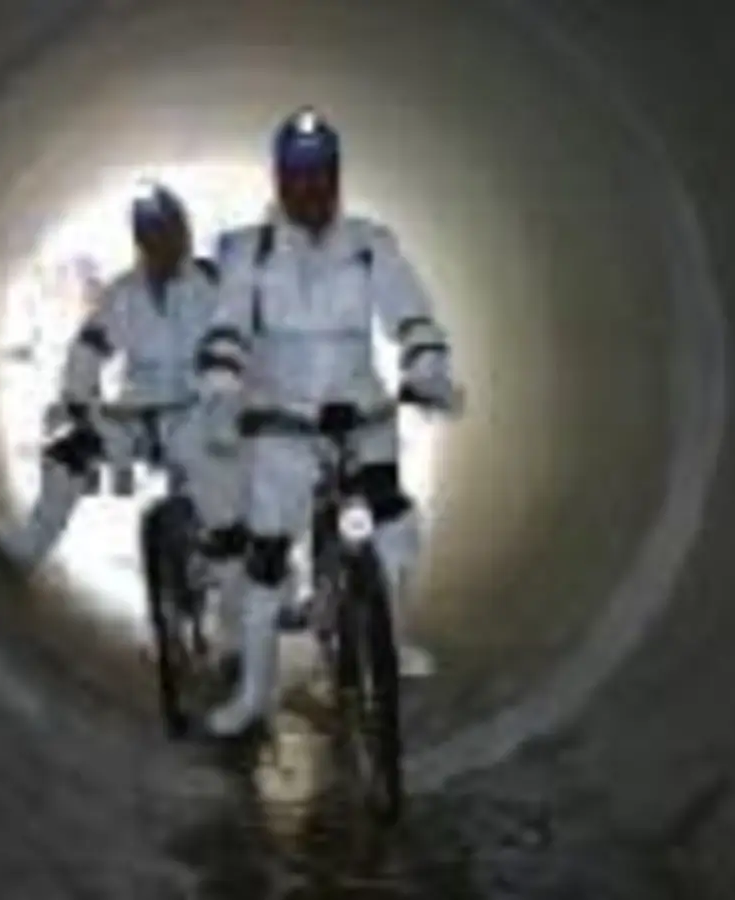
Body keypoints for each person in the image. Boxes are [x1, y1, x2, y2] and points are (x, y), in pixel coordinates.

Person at [195, 108, 462, 737]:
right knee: (264, 560)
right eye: (297, 176)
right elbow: (228, 328)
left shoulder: (372, 245)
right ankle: (254, 693)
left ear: (337, 177)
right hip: (281, 421)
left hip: (358, 414)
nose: (310, 189)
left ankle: (389, 639)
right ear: (279, 180)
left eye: (321, 175)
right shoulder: (247, 253)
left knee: (393, 523)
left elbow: (410, 314)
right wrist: (221, 389)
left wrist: (428, 369)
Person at [0, 182, 249, 629]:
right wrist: (77, 398)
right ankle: (30, 547)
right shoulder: (123, 294)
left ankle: (233, 634)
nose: (162, 244)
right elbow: (89, 348)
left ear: (184, 233)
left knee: (224, 518)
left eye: (168, 232)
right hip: (138, 417)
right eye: (150, 235)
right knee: (68, 454)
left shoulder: (215, 285)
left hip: (200, 415)